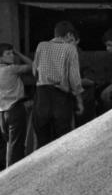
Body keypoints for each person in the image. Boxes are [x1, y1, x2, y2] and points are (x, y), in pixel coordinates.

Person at [32, 20, 83, 148]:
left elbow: (34, 71)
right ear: (70, 35)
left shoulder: (41, 46)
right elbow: (74, 78)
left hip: (42, 96)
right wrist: (79, 100)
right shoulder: (70, 49)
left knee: (42, 140)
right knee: (62, 141)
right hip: (60, 97)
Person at [0, 43, 32, 167]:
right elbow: (32, 65)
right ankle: (13, 174)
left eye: (12, 53)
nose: (12, 56)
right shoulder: (13, 69)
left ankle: (8, 170)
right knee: (17, 148)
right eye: (8, 54)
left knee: (10, 144)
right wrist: (19, 53)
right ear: (0, 57)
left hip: (1, 115)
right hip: (15, 111)